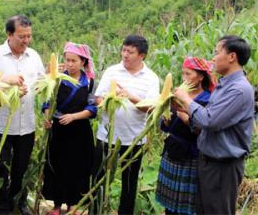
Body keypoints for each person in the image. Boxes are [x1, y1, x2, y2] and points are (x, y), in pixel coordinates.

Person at [174, 36, 254, 214]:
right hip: (209, 162)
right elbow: (209, 119)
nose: (213, 58)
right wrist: (184, 110)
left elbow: (209, 121)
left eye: (217, 52)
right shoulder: (224, 85)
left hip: (223, 166)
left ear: (232, 57)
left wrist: (185, 99)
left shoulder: (239, 89)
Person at [93, 35, 160, 214]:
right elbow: (98, 98)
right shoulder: (112, 71)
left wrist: (130, 96)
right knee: (98, 179)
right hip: (106, 136)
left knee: (129, 184)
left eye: (130, 52)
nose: (125, 54)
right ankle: (96, 210)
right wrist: (107, 100)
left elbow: (153, 107)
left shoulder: (151, 78)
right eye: (123, 50)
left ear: (142, 55)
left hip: (134, 140)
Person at [0, 15, 45, 215]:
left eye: (29, 36)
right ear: (9, 34)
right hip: (1, 126)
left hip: (27, 125)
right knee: (0, 169)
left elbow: (41, 83)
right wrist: (8, 86)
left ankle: (18, 202)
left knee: (20, 168)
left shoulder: (34, 56)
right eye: (21, 36)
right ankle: (0, 206)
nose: (26, 40)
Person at [43, 42, 97, 215]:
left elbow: (92, 108)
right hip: (59, 130)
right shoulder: (57, 79)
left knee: (78, 167)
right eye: (67, 60)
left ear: (83, 62)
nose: (70, 64)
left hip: (80, 131)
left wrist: (74, 116)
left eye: (74, 61)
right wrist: (47, 117)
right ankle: (57, 205)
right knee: (57, 166)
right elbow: (48, 102)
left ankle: (74, 205)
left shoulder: (89, 82)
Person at [155, 57, 214, 215]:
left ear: (201, 77)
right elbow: (166, 126)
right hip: (172, 152)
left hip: (191, 156)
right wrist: (166, 121)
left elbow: (205, 130)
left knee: (186, 205)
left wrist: (185, 117)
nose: (184, 78)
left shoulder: (208, 99)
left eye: (188, 74)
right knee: (169, 202)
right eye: (183, 74)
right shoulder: (177, 95)